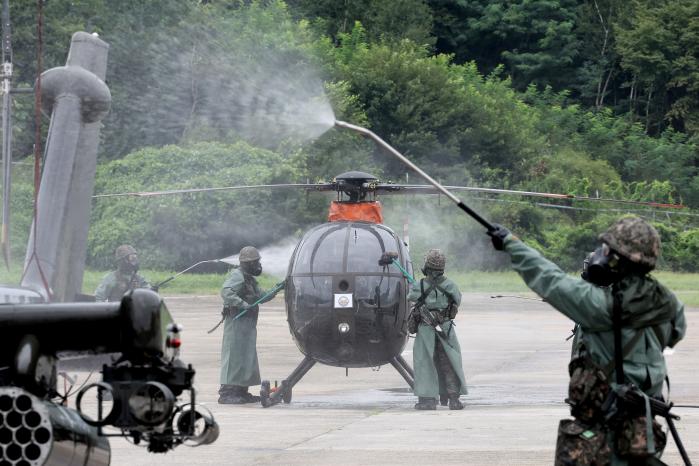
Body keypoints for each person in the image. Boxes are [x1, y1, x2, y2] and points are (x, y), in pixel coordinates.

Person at [488, 216, 686, 464]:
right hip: (641, 433)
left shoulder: (601, 307)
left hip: (606, 434)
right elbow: (674, 336)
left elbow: (550, 279)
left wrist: (511, 243)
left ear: (617, 259)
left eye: (607, 250)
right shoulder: (669, 304)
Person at [218, 246, 284, 404]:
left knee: (245, 357)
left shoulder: (249, 279)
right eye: (255, 262)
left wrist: (277, 288)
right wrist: (242, 304)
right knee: (234, 357)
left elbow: (261, 297)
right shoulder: (238, 275)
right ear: (247, 263)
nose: (257, 265)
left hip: (246, 325)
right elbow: (226, 292)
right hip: (236, 323)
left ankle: (241, 391)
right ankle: (226, 394)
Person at [407, 248, 467, 410]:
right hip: (446, 330)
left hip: (426, 330)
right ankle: (454, 399)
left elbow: (411, 297)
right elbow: (457, 300)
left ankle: (427, 400)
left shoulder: (419, 285)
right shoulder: (450, 285)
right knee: (449, 362)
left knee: (425, 362)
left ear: (427, 266)